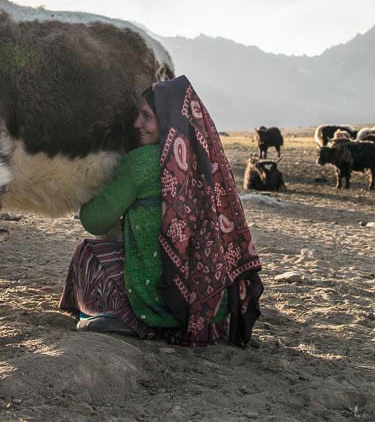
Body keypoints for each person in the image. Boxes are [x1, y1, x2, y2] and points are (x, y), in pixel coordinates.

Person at [59, 75, 263, 346]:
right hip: (209, 309)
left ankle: (120, 316)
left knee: (89, 251)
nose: (137, 124)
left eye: (146, 116)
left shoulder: (140, 162)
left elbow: (94, 221)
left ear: (167, 120)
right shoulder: (206, 162)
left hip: (160, 303)